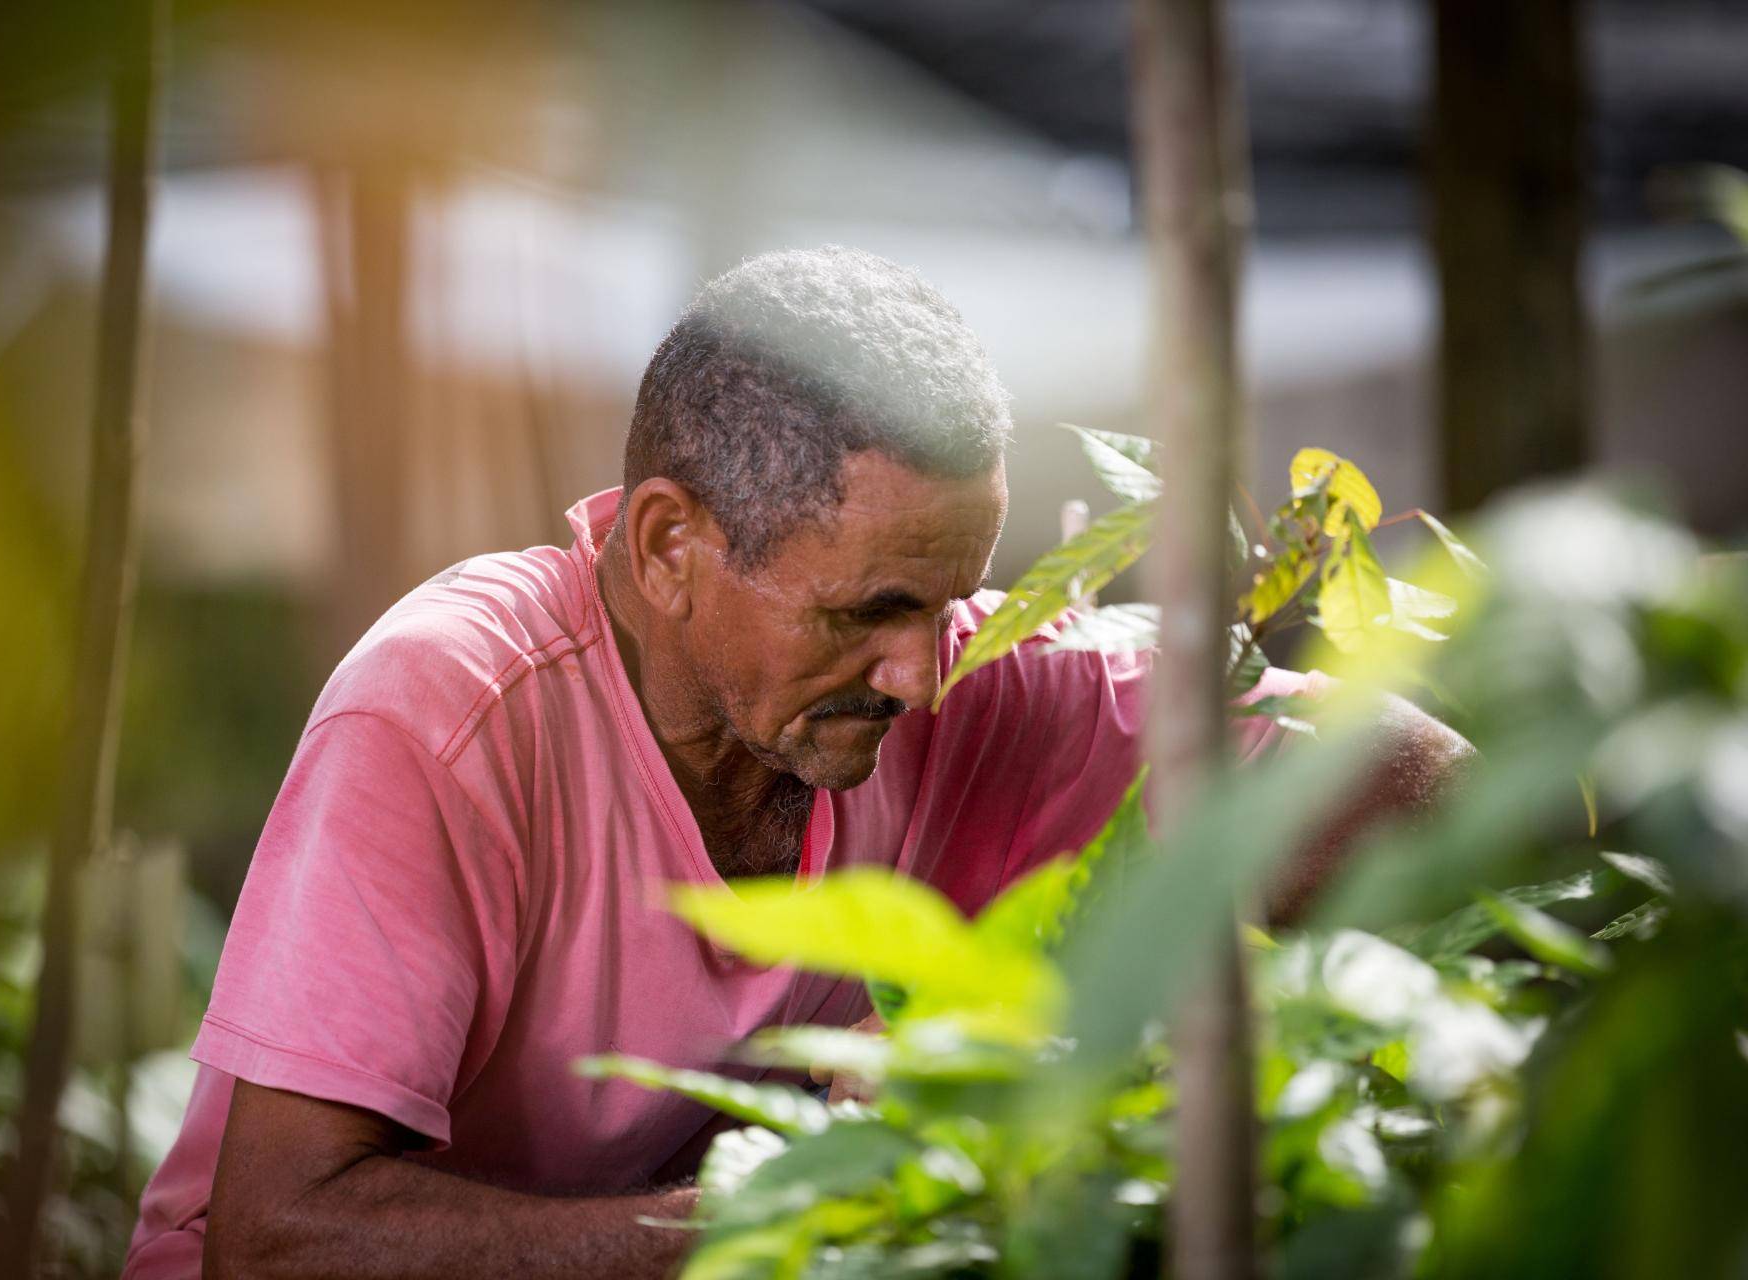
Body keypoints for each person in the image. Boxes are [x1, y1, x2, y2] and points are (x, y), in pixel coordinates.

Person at [123, 247, 1469, 1279]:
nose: (923, 670)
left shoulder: (963, 671)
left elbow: (1403, 773)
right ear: (668, 547)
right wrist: (785, 1203)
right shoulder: (447, 710)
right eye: (865, 610)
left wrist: (1107, 1021)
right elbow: (280, 1237)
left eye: (950, 601)